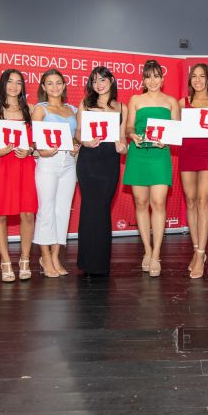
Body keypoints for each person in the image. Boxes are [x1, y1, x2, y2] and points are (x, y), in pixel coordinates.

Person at [123, 59, 180, 277]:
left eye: (156, 76)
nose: (153, 80)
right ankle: (146, 250)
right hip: (138, 154)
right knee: (140, 202)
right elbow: (129, 125)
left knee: (158, 202)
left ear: (162, 79)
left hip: (160, 155)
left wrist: (168, 140)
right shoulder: (135, 99)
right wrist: (131, 134)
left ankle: (156, 254)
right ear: (143, 79)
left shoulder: (171, 102)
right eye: (148, 76)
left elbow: (176, 130)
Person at [0, 69, 37, 283]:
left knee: (27, 213)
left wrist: (29, 150)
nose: (14, 86)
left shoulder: (29, 110)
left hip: (23, 165)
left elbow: (34, 142)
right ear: (3, 84)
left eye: (18, 82)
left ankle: (24, 259)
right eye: (10, 82)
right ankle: (5, 262)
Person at [76, 66, 128, 278]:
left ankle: (101, 264)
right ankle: (87, 263)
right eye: (95, 80)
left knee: (103, 208)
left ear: (111, 81)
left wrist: (123, 147)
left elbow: (123, 138)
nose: (99, 84)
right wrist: (84, 141)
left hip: (110, 162)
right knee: (89, 208)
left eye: (103, 79)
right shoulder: (85, 104)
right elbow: (78, 132)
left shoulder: (121, 107)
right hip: (89, 160)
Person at [179, 63, 208, 279]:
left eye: (202, 76)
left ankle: (200, 254)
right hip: (187, 153)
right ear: (190, 81)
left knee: (202, 200)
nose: (198, 80)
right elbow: (176, 132)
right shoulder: (182, 103)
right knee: (190, 200)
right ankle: (196, 246)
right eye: (194, 76)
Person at [32, 69, 79, 278]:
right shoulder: (40, 110)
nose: (54, 87)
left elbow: (77, 137)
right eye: (49, 83)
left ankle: (56, 255)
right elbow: (35, 140)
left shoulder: (73, 110)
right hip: (48, 161)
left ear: (64, 85)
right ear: (43, 87)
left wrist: (76, 145)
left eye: (58, 82)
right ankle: (45, 257)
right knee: (46, 209)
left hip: (69, 163)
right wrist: (43, 150)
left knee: (62, 210)